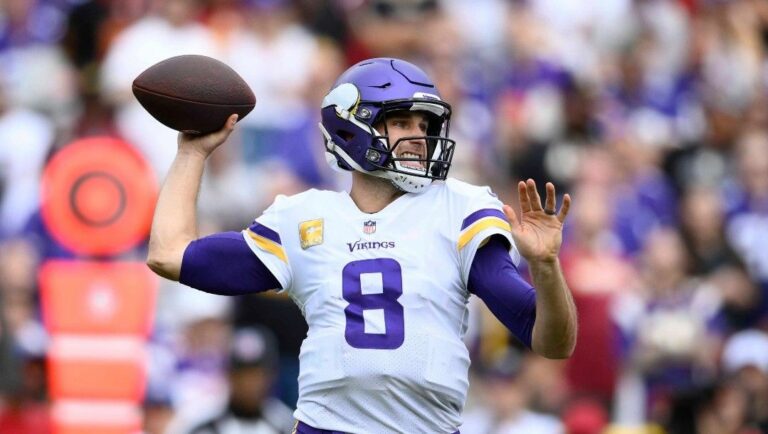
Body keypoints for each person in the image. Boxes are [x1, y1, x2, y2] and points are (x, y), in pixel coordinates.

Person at [147, 57, 577, 433]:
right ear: (353, 126)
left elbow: (553, 342)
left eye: (425, 125)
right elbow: (171, 254)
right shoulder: (304, 219)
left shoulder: (458, 209)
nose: (419, 136)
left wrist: (545, 267)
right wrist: (191, 154)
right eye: (403, 122)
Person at [184, 327, 295, 434]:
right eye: (242, 375)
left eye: (257, 375)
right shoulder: (204, 423)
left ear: (271, 376)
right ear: (228, 376)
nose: (249, 383)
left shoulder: (287, 425)